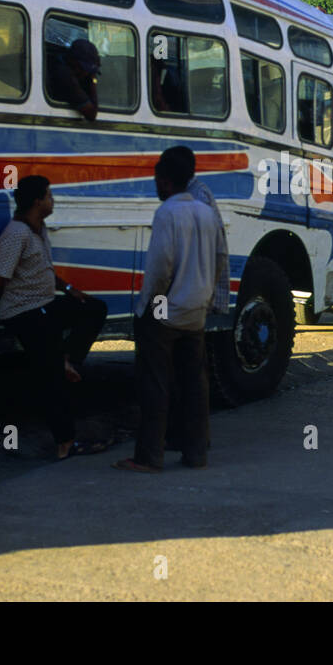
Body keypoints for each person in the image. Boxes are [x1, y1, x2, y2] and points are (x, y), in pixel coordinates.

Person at [115, 147, 225, 472]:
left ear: (164, 181)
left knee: (155, 384)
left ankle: (149, 456)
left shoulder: (167, 213)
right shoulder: (206, 212)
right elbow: (220, 259)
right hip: (196, 311)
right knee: (194, 384)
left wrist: (150, 306)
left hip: (166, 310)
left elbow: (161, 268)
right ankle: (196, 452)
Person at [0, 175, 109, 460]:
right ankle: (65, 444)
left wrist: (69, 289)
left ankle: (69, 360)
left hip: (45, 305)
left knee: (94, 308)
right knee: (52, 379)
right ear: (37, 201)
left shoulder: (37, 230)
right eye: (50, 196)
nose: (53, 201)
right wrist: (13, 302)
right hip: (26, 313)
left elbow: (41, 269)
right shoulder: (16, 234)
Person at [47, 38, 100, 121]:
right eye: (83, 68)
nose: (85, 73)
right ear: (72, 61)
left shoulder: (59, 62)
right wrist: (93, 81)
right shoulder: (65, 75)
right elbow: (91, 114)